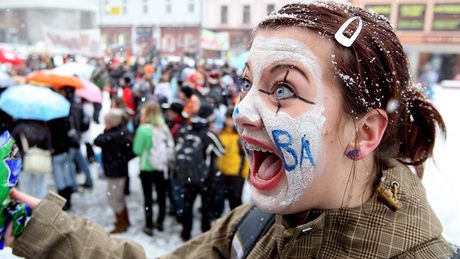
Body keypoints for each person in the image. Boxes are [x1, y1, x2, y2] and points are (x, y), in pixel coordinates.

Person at [3, 2, 457, 258]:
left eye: (283, 88)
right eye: (247, 83)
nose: (242, 111)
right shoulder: (255, 226)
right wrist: (40, 226)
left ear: (364, 133)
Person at [133, 100, 173, 236]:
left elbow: (137, 150)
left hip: (146, 168)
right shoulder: (164, 127)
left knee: (148, 197)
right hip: (161, 167)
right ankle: (160, 221)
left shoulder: (143, 129)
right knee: (161, 195)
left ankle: (149, 225)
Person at [94, 108, 134, 233]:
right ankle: (124, 220)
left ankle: (122, 223)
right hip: (119, 169)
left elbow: (98, 140)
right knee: (118, 196)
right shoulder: (122, 132)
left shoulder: (113, 135)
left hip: (115, 171)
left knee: (113, 198)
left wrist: (107, 131)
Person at [216, 108, 249, 210]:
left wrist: (244, 173)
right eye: (228, 118)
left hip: (236, 174)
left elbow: (248, 156)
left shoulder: (242, 134)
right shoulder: (221, 133)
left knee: (235, 201)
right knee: (221, 200)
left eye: (231, 118)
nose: (230, 121)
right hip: (222, 171)